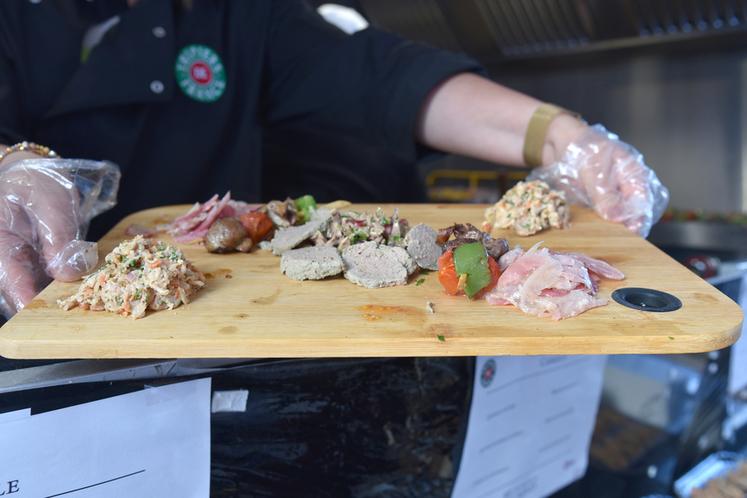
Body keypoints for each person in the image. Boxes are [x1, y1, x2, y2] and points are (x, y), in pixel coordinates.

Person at [0, 0, 667, 317]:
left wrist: (561, 137)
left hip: (219, 330)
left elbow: (381, 78)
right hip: (31, 337)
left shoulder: (236, 16)